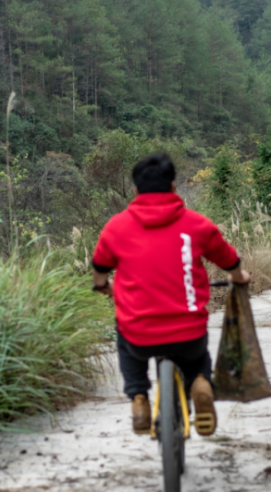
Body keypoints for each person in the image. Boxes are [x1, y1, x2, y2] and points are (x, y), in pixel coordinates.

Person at [91, 153, 250, 437]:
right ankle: (201, 383)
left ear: (137, 189)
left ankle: (139, 397)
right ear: (174, 186)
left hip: (139, 333)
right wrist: (239, 278)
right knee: (197, 354)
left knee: (125, 337)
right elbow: (229, 260)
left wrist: (103, 286)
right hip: (188, 333)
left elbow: (100, 269)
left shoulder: (117, 227)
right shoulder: (196, 224)